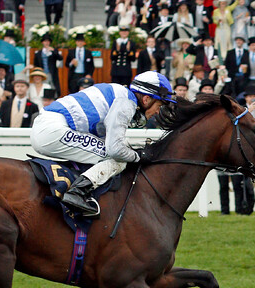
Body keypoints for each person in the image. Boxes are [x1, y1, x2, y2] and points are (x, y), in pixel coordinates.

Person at [30, 71, 175, 216]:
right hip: (53, 130)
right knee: (118, 160)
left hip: (48, 127)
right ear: (146, 99)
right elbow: (115, 150)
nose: (158, 112)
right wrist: (139, 156)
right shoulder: (126, 103)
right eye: (160, 105)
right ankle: (77, 193)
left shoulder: (121, 94)